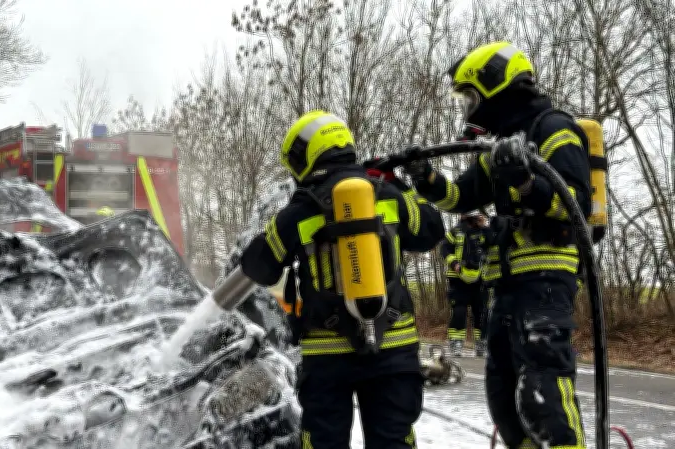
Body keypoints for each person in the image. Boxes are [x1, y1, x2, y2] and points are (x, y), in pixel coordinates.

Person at [401, 41, 590, 449]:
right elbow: (460, 197)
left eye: (470, 96)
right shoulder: (500, 146)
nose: (469, 107)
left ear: (496, 86)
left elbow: (577, 202)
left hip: (544, 283)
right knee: (503, 399)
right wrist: (425, 177)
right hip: (504, 288)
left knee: (543, 395)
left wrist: (526, 182)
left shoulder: (553, 128)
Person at [238, 110, 445, 448]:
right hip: (394, 348)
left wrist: (279, 225)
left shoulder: (299, 212)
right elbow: (432, 231)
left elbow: (258, 267)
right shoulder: (387, 194)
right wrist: (397, 183)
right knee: (394, 441)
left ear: (308, 154)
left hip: (328, 355)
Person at [440, 211, 489, 358]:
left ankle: (481, 343)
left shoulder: (484, 232)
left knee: (481, 313)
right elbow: (444, 249)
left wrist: (485, 227)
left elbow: (492, 245)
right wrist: (454, 263)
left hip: (480, 279)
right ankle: (456, 343)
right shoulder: (455, 231)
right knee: (459, 312)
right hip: (458, 279)